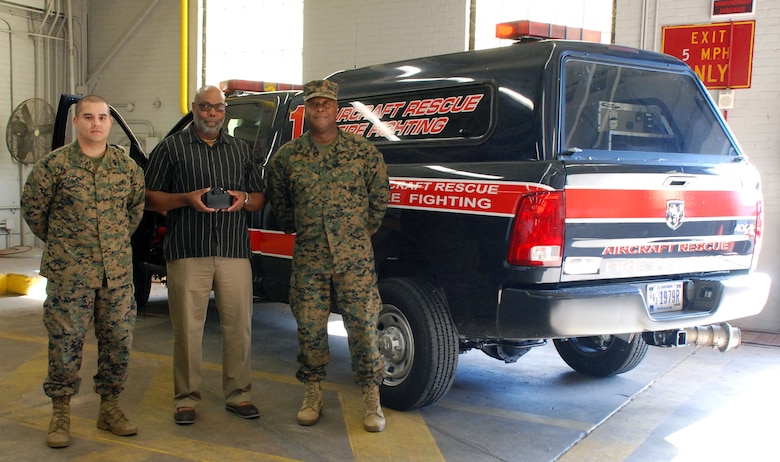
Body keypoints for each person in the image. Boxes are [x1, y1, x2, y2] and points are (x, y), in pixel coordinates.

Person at [21, 95, 145, 448]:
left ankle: (110, 407)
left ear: (109, 123)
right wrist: (64, 243)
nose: (96, 123)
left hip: (116, 276)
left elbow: (134, 212)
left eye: (102, 117)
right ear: (76, 122)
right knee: (65, 345)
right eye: (88, 117)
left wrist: (113, 246)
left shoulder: (127, 169)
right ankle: (61, 412)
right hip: (69, 275)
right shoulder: (53, 167)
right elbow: (35, 211)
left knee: (118, 343)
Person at [267, 80, 390, 432]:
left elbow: (379, 197)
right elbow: (281, 202)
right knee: (309, 327)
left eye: (327, 104)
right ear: (306, 109)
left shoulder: (362, 152)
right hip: (310, 258)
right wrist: (302, 229)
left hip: (355, 260)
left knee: (364, 328)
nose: (320, 109)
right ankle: (312, 393)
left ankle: (371, 397)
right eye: (314, 104)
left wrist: (357, 233)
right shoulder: (288, 157)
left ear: (337, 110)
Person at [144, 85, 265, 425]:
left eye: (217, 108)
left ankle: (239, 395)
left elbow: (259, 198)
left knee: (239, 327)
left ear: (225, 112)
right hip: (187, 250)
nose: (211, 113)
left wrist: (242, 198)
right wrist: (187, 199)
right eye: (205, 107)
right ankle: (185, 399)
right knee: (187, 330)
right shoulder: (171, 148)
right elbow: (151, 198)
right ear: (193, 107)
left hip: (232, 250)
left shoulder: (240, 151)